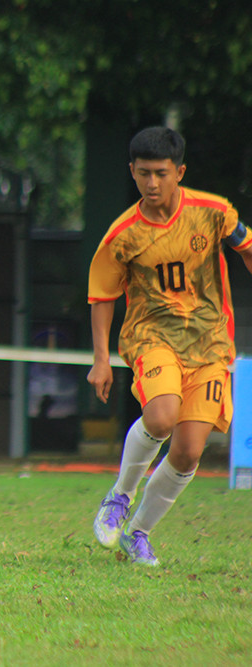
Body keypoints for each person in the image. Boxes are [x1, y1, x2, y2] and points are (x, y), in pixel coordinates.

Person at [88, 126, 252, 566]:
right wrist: (101, 360)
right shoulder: (123, 234)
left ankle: (138, 532)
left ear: (179, 171)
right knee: (161, 417)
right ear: (132, 172)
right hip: (152, 337)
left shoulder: (214, 213)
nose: (152, 183)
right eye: (143, 174)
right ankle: (119, 497)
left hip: (211, 344)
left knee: (189, 450)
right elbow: (102, 297)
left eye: (161, 173)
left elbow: (246, 247)